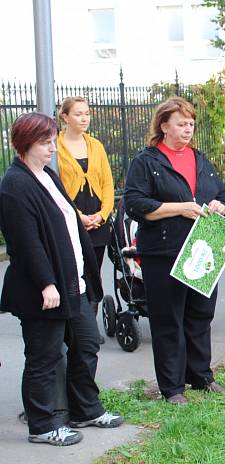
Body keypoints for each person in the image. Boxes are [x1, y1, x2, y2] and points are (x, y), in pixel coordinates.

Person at [0, 112, 123, 446]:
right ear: (25, 144)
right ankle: (42, 424)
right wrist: (46, 283)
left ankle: (85, 409)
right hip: (43, 291)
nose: (52, 147)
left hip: (73, 284)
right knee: (44, 357)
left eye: (53, 140)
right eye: (45, 142)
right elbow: (25, 243)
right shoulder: (15, 184)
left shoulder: (47, 176)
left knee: (86, 345)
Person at [124, 97, 225, 405]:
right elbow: (136, 204)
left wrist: (220, 204)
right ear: (164, 126)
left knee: (200, 314)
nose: (188, 130)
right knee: (168, 318)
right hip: (164, 251)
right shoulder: (147, 162)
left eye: (191, 125)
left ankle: (201, 377)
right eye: (181, 124)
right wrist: (179, 209)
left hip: (204, 247)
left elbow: (223, 193)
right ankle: (172, 388)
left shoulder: (199, 159)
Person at [57, 97, 115, 343]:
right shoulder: (56, 146)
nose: (84, 118)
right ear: (65, 117)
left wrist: (103, 213)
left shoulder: (96, 146)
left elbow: (108, 183)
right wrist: (78, 217)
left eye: (87, 113)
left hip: (97, 216)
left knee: (94, 270)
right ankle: (76, 327)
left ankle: (88, 326)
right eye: (78, 114)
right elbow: (56, 185)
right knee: (73, 269)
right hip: (71, 215)